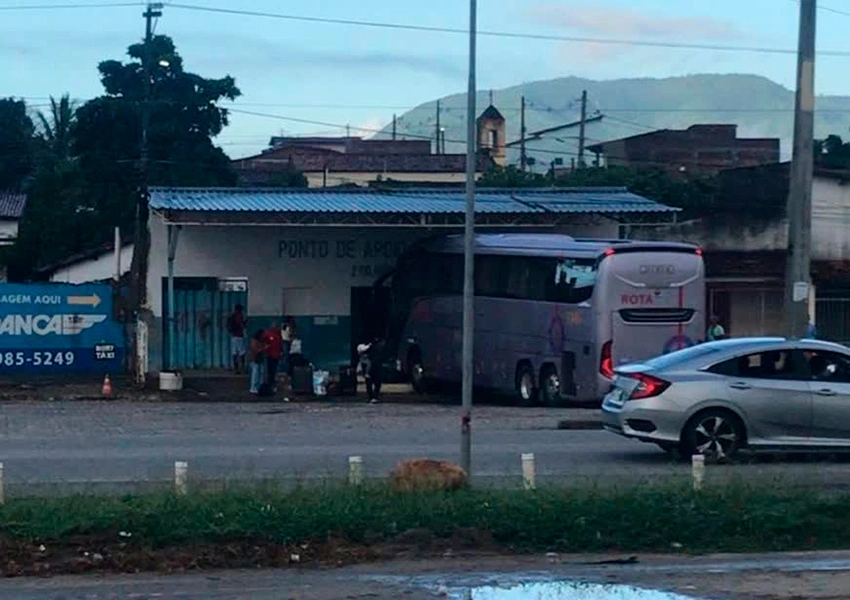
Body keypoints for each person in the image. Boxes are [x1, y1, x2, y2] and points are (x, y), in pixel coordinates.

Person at [358, 336, 385, 404]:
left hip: (373, 366)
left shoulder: (373, 348)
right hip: (373, 366)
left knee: (372, 382)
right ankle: (373, 397)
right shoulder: (372, 348)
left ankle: (373, 397)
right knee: (374, 382)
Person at [262, 321, 283, 391]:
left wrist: (281, 352)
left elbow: (280, 344)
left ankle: (272, 383)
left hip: (276, 355)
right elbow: (263, 341)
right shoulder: (268, 333)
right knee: (270, 370)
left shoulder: (278, 334)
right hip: (270, 355)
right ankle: (269, 384)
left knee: (274, 370)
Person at [227, 304, 247, 374]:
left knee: (234, 353)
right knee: (242, 353)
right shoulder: (239, 316)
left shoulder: (232, 316)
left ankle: (236, 369)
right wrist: (245, 322)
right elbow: (242, 325)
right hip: (239, 336)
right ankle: (242, 368)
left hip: (233, 336)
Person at [248, 330, 266, 395]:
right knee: (255, 374)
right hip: (254, 359)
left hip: (260, 359)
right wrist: (263, 349)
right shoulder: (254, 341)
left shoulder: (261, 341)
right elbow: (254, 350)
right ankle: (253, 388)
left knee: (260, 373)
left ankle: (258, 387)